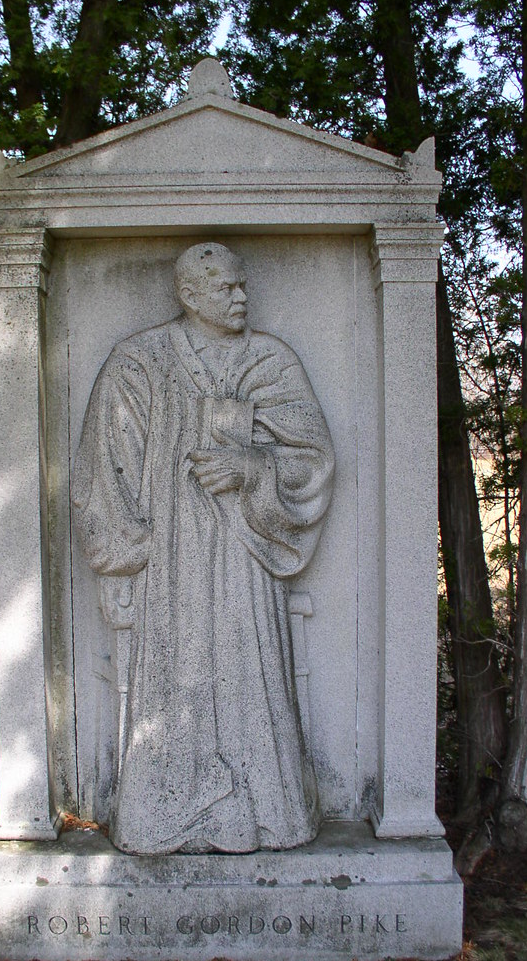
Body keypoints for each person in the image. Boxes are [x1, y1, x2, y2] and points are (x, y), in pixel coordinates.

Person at [72, 243, 335, 855]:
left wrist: (253, 467)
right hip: (172, 564)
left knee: (252, 672)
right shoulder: (141, 362)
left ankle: (266, 809)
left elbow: (315, 456)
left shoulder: (271, 360)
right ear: (190, 295)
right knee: (174, 679)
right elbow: (104, 466)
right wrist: (123, 557)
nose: (242, 297)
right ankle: (166, 813)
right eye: (227, 288)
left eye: (243, 286)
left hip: (247, 559)